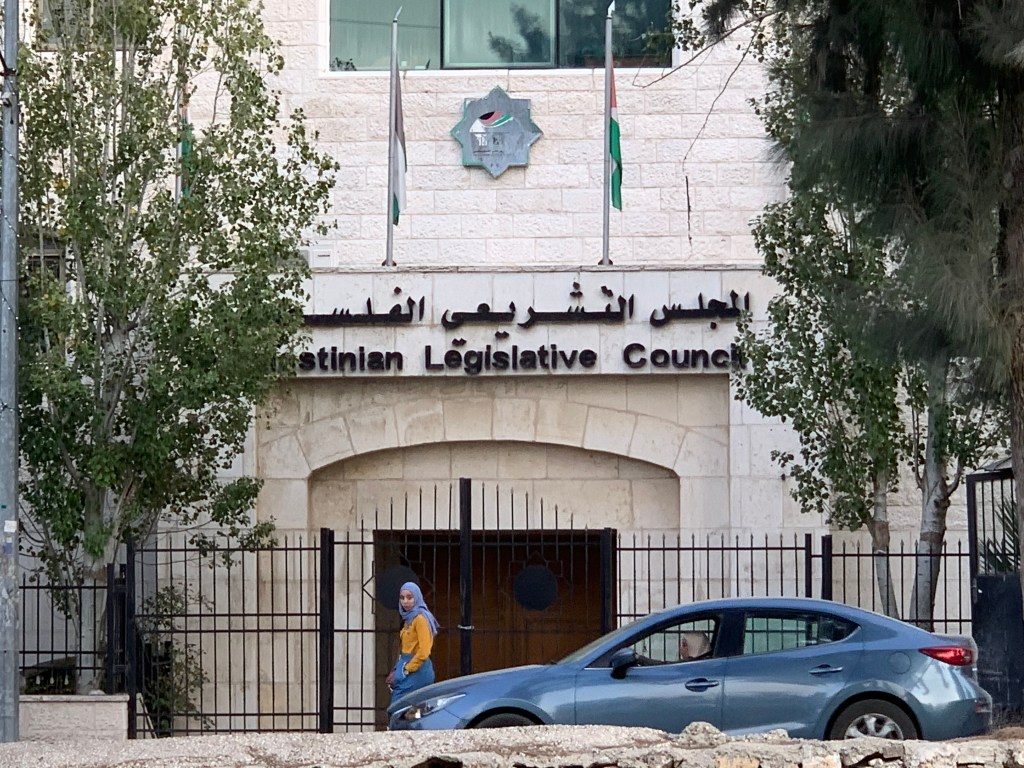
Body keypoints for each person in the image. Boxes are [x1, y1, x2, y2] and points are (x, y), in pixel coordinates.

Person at [386, 581, 439, 705]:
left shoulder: (420, 619)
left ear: (417, 597)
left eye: (409, 597)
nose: (405, 601)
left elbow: (424, 651)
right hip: (406, 666)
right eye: (402, 598)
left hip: (417, 669)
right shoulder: (409, 619)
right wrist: (397, 670)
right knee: (405, 709)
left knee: (399, 705)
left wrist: (406, 669)